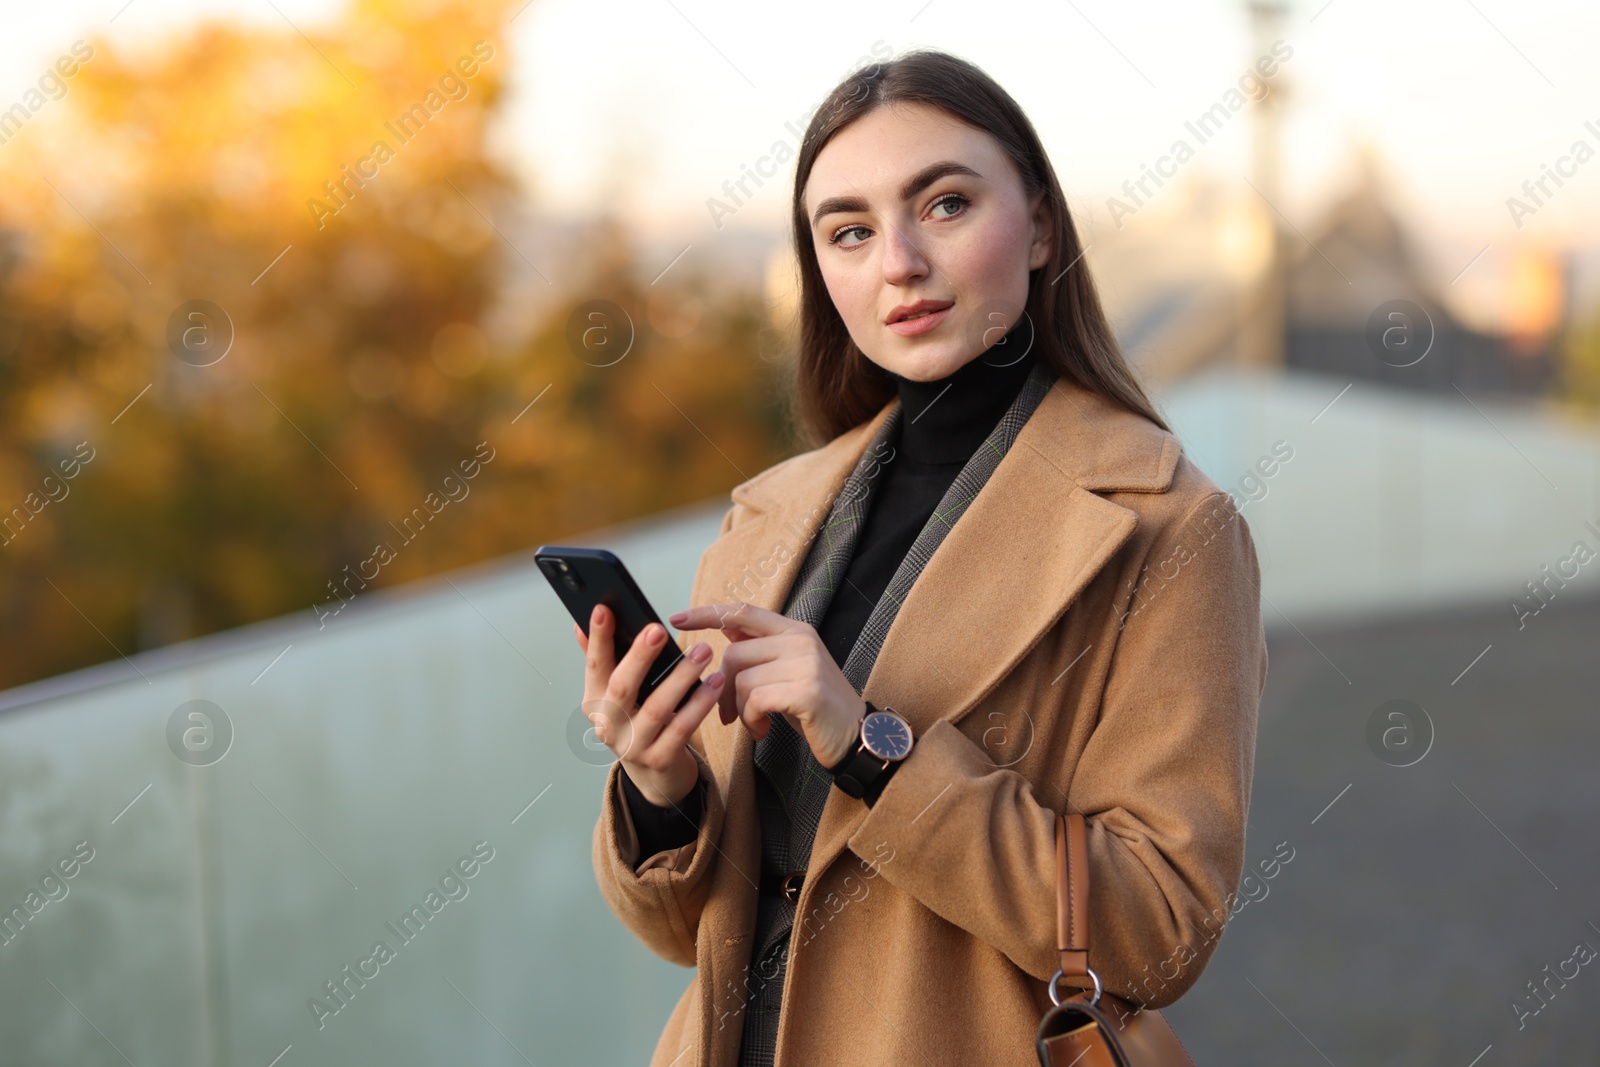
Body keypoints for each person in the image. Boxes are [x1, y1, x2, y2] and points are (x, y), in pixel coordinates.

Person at [578, 48, 1267, 1067]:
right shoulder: (764, 519)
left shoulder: (1168, 527)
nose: (896, 261)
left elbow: (1160, 932)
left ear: (1036, 224)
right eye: (848, 231)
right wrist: (659, 781)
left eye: (943, 205)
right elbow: (689, 934)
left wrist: (867, 744)